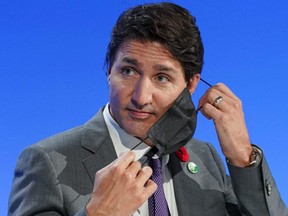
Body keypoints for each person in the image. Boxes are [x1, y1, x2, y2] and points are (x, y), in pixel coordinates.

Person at [8, 2, 287, 216]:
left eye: (162, 78)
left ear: (191, 85)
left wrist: (242, 158)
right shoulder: (46, 162)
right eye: (128, 71)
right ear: (108, 70)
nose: (141, 97)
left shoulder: (206, 159)